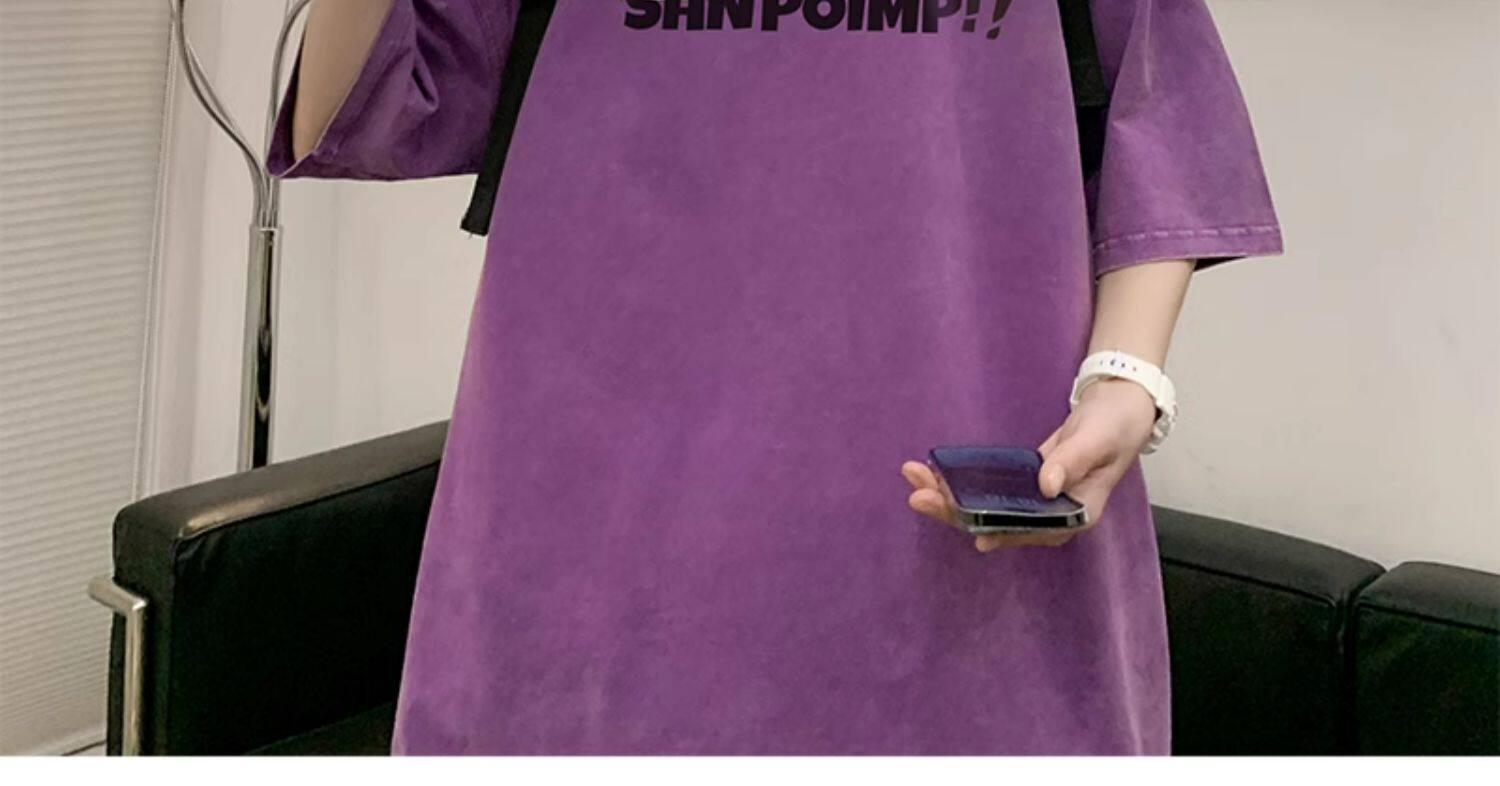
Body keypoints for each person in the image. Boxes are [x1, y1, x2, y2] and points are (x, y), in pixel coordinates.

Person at [270, 0, 1282, 755]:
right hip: (599, 553)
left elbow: (1165, 113)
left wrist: (1126, 379)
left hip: (958, 563)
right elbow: (354, 107)